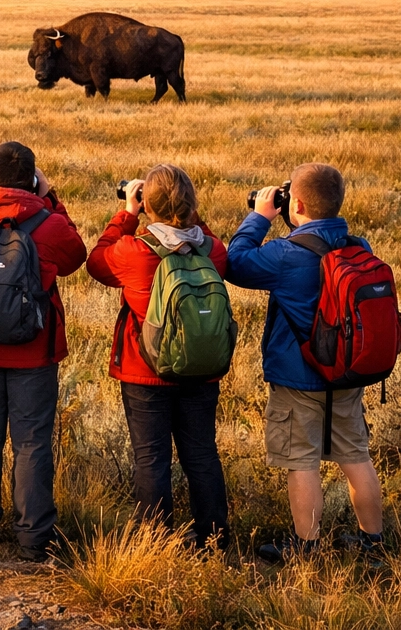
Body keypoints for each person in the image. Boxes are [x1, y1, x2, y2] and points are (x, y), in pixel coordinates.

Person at [227, 163, 386, 561]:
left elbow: (235, 262)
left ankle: (306, 547)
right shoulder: (358, 245)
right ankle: (373, 543)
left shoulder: (284, 254)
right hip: (348, 374)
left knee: (301, 462)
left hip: (299, 378)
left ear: (294, 202)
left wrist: (260, 216)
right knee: (356, 457)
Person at [0, 141, 86, 561]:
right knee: (31, 443)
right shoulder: (49, 223)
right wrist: (51, 199)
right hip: (34, 351)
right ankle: (33, 539)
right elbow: (76, 255)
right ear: (32, 179)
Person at [86, 164, 231, 548]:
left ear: (147, 204)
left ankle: (155, 541)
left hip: (144, 370)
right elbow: (218, 247)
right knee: (202, 454)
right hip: (202, 369)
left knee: (151, 458)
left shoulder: (134, 251)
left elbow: (96, 261)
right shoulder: (212, 250)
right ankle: (214, 539)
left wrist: (127, 214)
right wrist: (192, 217)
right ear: (192, 203)